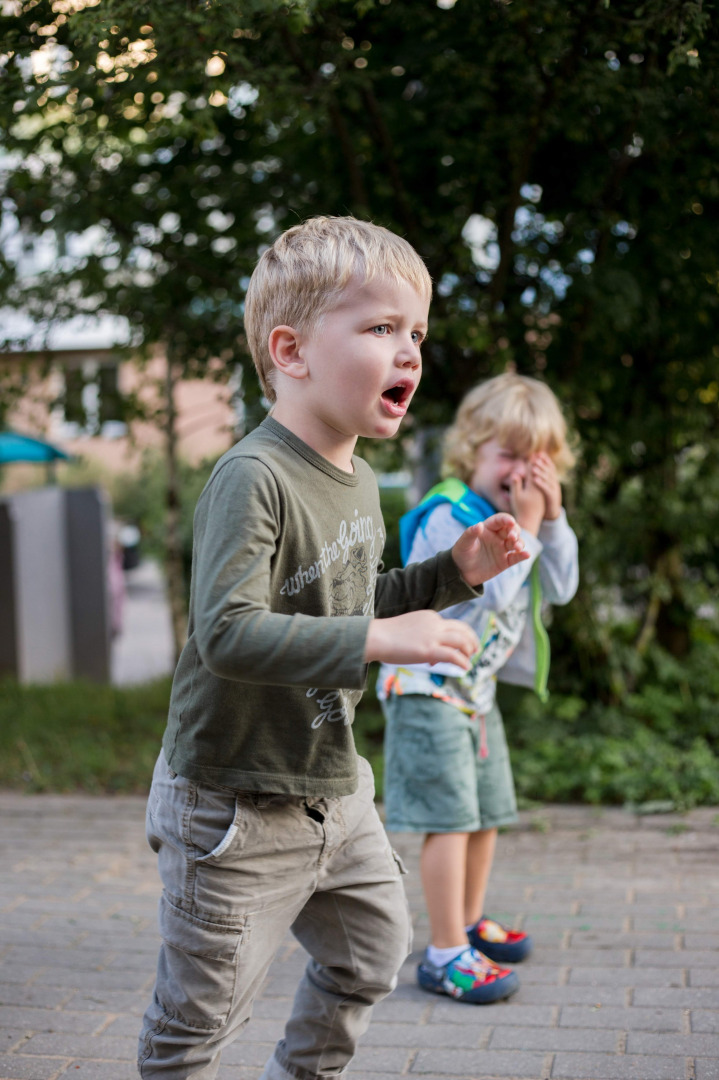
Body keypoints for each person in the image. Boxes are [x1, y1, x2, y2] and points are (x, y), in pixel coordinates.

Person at [137, 217, 529, 1080]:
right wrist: (384, 641)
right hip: (232, 803)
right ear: (292, 351)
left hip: (330, 786)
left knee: (370, 956)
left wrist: (445, 575)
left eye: (416, 332)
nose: (409, 352)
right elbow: (227, 631)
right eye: (381, 327)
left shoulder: (356, 478)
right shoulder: (255, 477)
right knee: (198, 1019)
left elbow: (350, 600)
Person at [378, 372, 578, 1004]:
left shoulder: (531, 513)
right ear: (474, 452)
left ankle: (466, 925)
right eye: (508, 454)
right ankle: (442, 954)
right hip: (426, 690)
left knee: (488, 814)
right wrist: (523, 525)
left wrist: (552, 520)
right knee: (452, 821)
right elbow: (488, 592)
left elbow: (565, 587)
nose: (521, 471)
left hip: (476, 696)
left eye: (535, 459)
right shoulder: (449, 515)